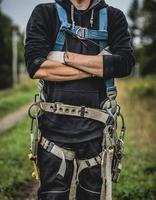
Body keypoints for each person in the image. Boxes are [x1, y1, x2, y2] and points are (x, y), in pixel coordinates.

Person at [25, 0, 135, 199]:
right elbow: (36, 66)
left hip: (98, 133)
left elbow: (124, 64)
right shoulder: (44, 13)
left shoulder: (114, 17)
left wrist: (64, 57)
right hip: (53, 130)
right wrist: (100, 66)